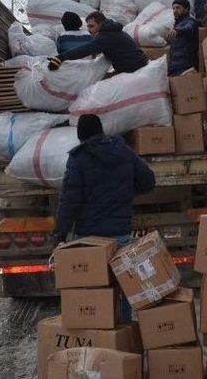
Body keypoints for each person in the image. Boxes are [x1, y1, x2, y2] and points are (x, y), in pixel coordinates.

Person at [53, 114, 156, 320]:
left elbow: (69, 201)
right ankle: (122, 334)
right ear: (101, 130)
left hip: (89, 239)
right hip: (120, 235)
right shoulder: (124, 152)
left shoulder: (78, 159)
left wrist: (60, 234)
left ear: (81, 136)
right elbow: (148, 181)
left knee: (93, 291)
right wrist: (126, 190)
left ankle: (99, 335)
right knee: (122, 287)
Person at [48, 11, 148, 73]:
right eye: (87, 26)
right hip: (139, 65)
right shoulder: (113, 31)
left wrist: (61, 57)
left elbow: (85, 50)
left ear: (100, 24)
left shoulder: (106, 36)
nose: (88, 29)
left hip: (135, 70)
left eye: (91, 26)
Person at [166, 0, 199, 76]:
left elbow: (189, 28)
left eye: (178, 8)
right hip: (174, 70)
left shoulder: (190, 21)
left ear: (186, 9)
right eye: (173, 8)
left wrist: (177, 31)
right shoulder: (176, 26)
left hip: (186, 69)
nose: (175, 10)